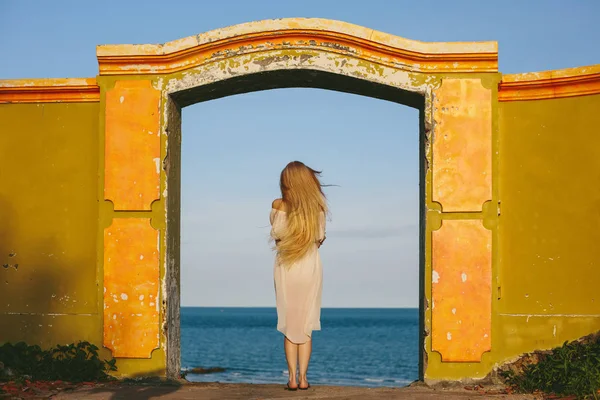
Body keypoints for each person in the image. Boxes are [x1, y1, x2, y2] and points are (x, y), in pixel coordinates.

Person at [269, 161, 328, 391]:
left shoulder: (277, 205)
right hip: (310, 266)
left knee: (289, 323)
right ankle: (304, 378)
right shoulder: (318, 210)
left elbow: (277, 236)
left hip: (286, 266)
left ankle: (291, 378)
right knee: (305, 325)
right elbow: (319, 240)